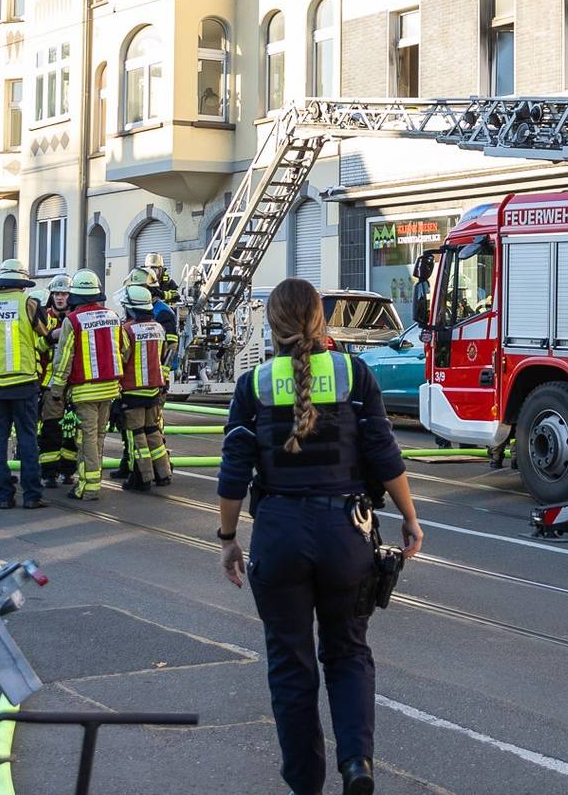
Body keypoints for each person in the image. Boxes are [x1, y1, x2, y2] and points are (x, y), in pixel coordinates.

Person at [217, 279, 423, 795]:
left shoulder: (255, 384)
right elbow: (384, 453)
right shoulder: (355, 374)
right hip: (346, 534)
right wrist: (410, 519)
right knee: (349, 652)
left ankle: (305, 784)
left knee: (291, 665)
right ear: (320, 320)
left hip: (280, 535)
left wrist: (226, 537)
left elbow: (233, 472)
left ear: (272, 324)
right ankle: (357, 764)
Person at [0, 261, 49, 509]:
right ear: (22, 283)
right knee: (27, 439)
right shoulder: (28, 303)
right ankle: (31, 495)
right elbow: (44, 336)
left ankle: (4, 495)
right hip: (24, 383)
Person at [51, 271, 126, 500]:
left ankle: (89, 486)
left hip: (85, 390)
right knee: (100, 436)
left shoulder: (72, 321)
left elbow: (64, 359)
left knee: (87, 439)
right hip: (110, 388)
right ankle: (93, 481)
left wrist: (56, 389)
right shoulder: (113, 316)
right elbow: (123, 348)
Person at [117, 282, 172, 491]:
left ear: (130, 308)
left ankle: (141, 478)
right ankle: (163, 473)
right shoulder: (159, 328)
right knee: (153, 431)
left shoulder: (127, 330)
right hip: (154, 390)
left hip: (133, 390)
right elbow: (162, 354)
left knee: (136, 435)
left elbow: (122, 358)